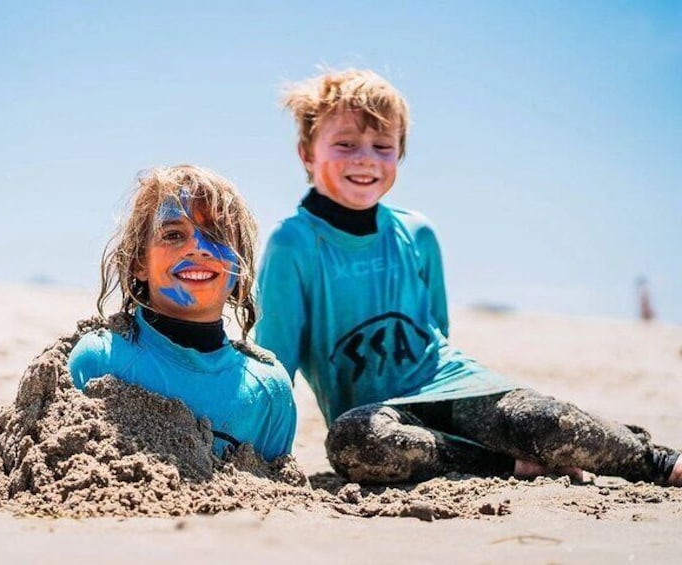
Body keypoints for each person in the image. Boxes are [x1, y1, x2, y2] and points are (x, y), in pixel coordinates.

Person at [255, 68, 681, 485]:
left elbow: (438, 329)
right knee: (355, 443)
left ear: (399, 155)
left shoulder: (417, 232)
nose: (366, 157)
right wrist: (261, 452)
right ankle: (505, 465)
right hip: (376, 415)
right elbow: (276, 363)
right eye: (345, 144)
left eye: (383, 145)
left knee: (541, 422)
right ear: (307, 154)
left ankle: (658, 461)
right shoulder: (294, 243)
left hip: (450, 386)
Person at [69, 164, 296, 461]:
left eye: (216, 235)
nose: (198, 248)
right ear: (139, 262)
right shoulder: (101, 360)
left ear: (239, 265)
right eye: (174, 235)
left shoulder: (267, 389)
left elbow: (278, 492)